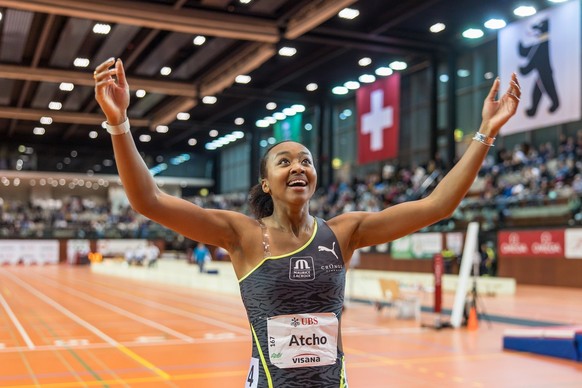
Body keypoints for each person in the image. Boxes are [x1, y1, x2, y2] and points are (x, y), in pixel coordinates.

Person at [94, 57, 520, 387]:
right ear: (265, 181)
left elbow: (438, 205)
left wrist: (485, 133)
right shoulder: (242, 236)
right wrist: (119, 122)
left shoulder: (343, 232)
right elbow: (148, 199)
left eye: (306, 161)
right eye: (285, 161)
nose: (298, 166)